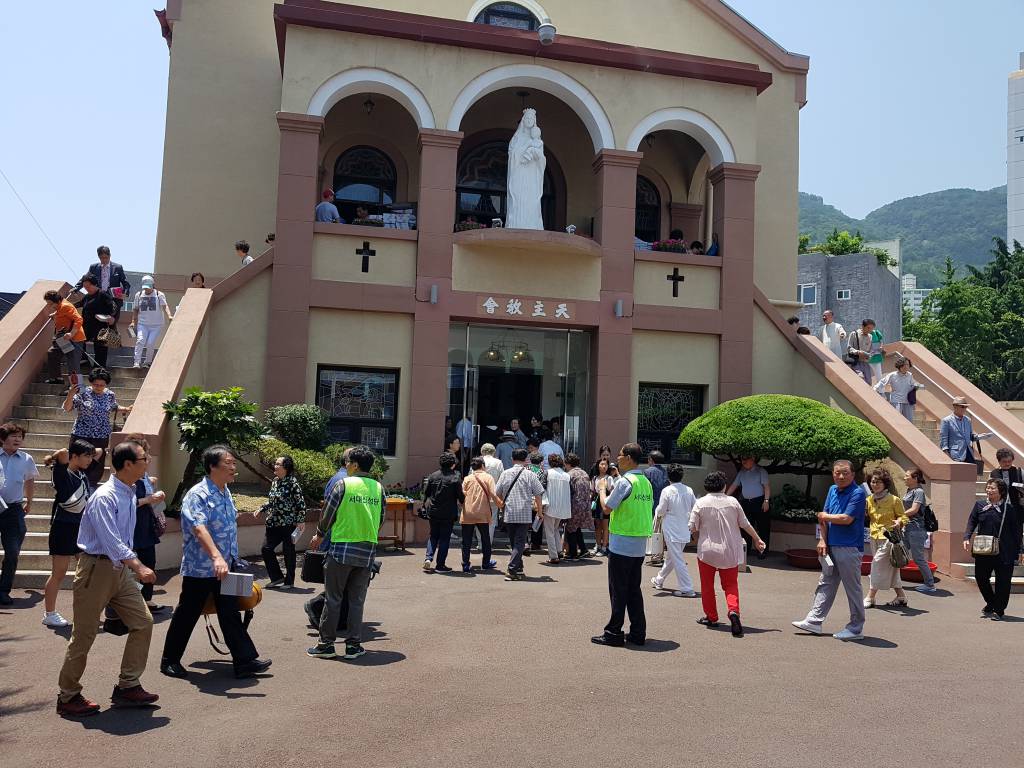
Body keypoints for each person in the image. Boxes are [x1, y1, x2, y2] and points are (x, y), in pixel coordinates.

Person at [55, 439, 157, 717]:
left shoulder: (130, 491)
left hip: (118, 571)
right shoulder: (105, 496)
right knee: (84, 635)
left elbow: (123, 538)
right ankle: (68, 695)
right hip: (96, 569)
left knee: (143, 622)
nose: (147, 462)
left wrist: (130, 566)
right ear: (127, 465)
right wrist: (138, 566)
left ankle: (128, 686)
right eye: (143, 459)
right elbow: (111, 541)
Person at [160, 445, 271, 680]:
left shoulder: (225, 492)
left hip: (226, 566)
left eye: (233, 463)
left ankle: (244, 661)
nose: (233, 467)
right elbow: (198, 528)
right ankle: (169, 660)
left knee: (230, 611)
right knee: (187, 613)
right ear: (212, 466)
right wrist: (216, 557)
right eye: (228, 463)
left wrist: (229, 558)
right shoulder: (197, 494)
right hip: (201, 568)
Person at [307, 445, 384, 660]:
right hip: (367, 551)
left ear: (355, 465)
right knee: (357, 600)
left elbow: (328, 513)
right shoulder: (378, 488)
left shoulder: (343, 485)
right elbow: (381, 518)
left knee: (334, 599)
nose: (346, 465)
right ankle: (353, 646)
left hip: (341, 549)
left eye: (348, 462)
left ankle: (326, 645)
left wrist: (320, 535)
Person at [792, 460, 867, 641]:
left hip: (849, 548)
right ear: (833, 474)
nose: (841, 476)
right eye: (837, 473)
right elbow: (822, 518)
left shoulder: (858, 493)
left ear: (852, 474)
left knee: (852, 589)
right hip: (831, 545)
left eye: (845, 473)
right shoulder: (832, 489)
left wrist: (824, 516)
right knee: (826, 582)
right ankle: (814, 620)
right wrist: (823, 540)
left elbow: (846, 518)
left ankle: (855, 628)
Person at [592, 443, 653, 647]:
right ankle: (637, 632)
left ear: (627, 457)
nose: (616, 458)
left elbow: (607, 508)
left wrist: (601, 489)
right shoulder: (645, 481)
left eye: (619, 455)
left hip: (622, 543)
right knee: (633, 590)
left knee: (618, 590)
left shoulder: (625, 482)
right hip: (639, 544)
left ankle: (613, 632)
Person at [690, 471, 765, 636]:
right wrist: (757, 539)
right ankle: (733, 612)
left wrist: (697, 538)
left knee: (707, 585)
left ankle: (711, 617)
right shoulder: (733, 502)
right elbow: (745, 524)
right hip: (730, 551)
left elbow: (692, 527)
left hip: (707, 551)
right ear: (724, 486)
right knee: (730, 585)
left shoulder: (700, 502)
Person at [42, 441, 100, 627]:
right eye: (86, 456)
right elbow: (62, 455)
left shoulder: (82, 473)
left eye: (90, 456)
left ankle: (86, 611)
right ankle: (49, 613)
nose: (91, 459)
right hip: (62, 527)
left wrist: (89, 451)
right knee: (59, 573)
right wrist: (58, 455)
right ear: (74, 457)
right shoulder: (61, 472)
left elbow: (99, 451)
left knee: (88, 570)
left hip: (81, 528)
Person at [964, 478, 1022, 620]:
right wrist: (966, 537)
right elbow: (972, 521)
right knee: (981, 577)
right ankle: (991, 602)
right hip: (984, 549)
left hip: (1005, 551)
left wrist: (1020, 550)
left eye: (992, 488)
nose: (989, 490)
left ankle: (999, 610)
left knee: (1003, 582)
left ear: (1001, 491)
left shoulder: (1009, 509)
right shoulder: (980, 505)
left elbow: (1016, 531)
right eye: (988, 488)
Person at [63, 369, 130, 487]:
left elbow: (114, 407)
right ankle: (74, 484)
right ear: (90, 383)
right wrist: (70, 395)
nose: (98, 387)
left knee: (97, 464)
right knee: (78, 460)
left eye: (102, 385)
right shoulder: (83, 393)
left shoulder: (110, 395)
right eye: (95, 384)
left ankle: (91, 486)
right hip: (81, 434)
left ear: (106, 384)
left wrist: (125, 409)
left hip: (101, 435)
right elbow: (68, 408)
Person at [0, 423, 39, 605]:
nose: (17, 439)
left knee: (13, 551)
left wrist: (29, 501)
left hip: (14, 510)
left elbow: (29, 481)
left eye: (20, 436)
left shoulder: (26, 458)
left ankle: (3, 590)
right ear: (2, 438)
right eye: (13, 435)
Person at [495, 448, 545, 581]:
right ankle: (511, 570)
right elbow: (539, 494)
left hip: (509, 512)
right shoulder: (530, 475)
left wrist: (501, 504)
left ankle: (519, 567)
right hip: (524, 512)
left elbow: (497, 492)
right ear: (526, 460)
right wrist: (540, 512)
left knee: (514, 542)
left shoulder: (505, 473)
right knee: (520, 543)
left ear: (512, 459)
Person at [257, 455, 306, 588]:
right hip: (273, 522)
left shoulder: (293, 483)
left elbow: (300, 503)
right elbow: (273, 501)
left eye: (278, 464)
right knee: (266, 549)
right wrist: (262, 508)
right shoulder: (275, 481)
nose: (275, 466)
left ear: (286, 468)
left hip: (287, 523)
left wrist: (301, 520)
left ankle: (289, 581)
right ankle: (277, 577)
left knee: (288, 552)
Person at [863, 468, 910, 609]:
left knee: (876, 564)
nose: (875, 484)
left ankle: (870, 597)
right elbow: (866, 516)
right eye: (873, 482)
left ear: (885, 483)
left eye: (878, 482)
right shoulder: (868, 500)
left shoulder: (894, 500)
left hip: (890, 538)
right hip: (874, 537)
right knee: (892, 568)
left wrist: (899, 522)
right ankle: (901, 596)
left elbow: (904, 517)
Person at [651, 464, 697, 597]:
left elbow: (661, 510)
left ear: (668, 476)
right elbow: (695, 507)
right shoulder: (689, 490)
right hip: (685, 528)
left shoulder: (667, 491)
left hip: (671, 529)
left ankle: (687, 588)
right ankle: (659, 580)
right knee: (672, 557)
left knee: (677, 558)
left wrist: (657, 512)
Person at [421, 452, 464, 573]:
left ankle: (428, 558)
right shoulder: (455, 478)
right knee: (444, 538)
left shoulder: (433, 476)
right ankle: (440, 565)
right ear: (453, 464)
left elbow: (426, 493)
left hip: (433, 511)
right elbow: (461, 497)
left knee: (433, 535)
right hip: (448, 512)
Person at [726, 456, 772, 559]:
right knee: (746, 526)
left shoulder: (761, 471)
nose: (743, 461)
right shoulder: (742, 472)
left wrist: (766, 501)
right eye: (742, 459)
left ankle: (762, 550)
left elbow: (767, 486)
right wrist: (724, 497)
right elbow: (734, 485)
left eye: (746, 459)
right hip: (746, 502)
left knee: (762, 527)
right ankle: (746, 550)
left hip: (760, 501)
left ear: (753, 459)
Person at [460, 457, 499, 573]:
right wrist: (500, 504)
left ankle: (465, 564)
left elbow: (462, 494)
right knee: (485, 538)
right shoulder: (488, 477)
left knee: (466, 540)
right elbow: (493, 493)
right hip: (483, 512)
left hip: (468, 512)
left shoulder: (467, 478)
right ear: (483, 465)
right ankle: (486, 563)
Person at [902, 468, 937, 593]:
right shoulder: (909, 490)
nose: (904, 478)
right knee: (898, 552)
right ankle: (891, 579)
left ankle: (930, 584)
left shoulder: (919, 492)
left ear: (915, 478)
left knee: (918, 558)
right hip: (907, 528)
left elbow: (914, 509)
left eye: (907, 476)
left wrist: (899, 516)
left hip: (916, 529)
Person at [43, 289, 85, 390]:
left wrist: (72, 333)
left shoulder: (66, 306)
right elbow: (61, 313)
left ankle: (77, 388)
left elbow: (79, 319)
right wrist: (55, 315)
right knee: (52, 353)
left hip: (74, 339)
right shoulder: (60, 307)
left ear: (56, 301)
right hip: (63, 338)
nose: (49, 306)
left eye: (50, 303)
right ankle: (56, 378)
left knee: (73, 363)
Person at [129, 275, 173, 369]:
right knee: (140, 340)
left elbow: (165, 306)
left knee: (150, 343)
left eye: (148, 287)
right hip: (142, 323)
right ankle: (136, 362)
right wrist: (133, 321)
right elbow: (136, 309)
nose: (147, 290)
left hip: (156, 325)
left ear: (153, 285)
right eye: (145, 288)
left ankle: (147, 362)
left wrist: (169, 315)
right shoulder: (139, 294)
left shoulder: (159, 294)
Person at [78, 274, 116, 369]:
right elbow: (78, 304)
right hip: (87, 325)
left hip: (101, 326)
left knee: (100, 349)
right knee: (79, 339)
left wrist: (112, 317)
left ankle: (99, 368)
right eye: (85, 287)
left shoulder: (102, 294)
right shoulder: (86, 297)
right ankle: (84, 360)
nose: (86, 289)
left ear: (95, 284)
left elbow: (113, 306)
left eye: (88, 286)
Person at [940, 396, 991, 463]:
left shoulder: (968, 420)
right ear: (955, 406)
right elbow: (944, 441)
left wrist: (980, 436)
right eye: (962, 407)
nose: (964, 409)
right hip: (955, 455)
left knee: (971, 473)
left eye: (966, 407)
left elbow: (970, 436)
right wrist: (948, 457)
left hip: (968, 453)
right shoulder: (947, 421)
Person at [541, 454, 571, 563]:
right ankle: (559, 551)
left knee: (549, 531)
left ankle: (553, 556)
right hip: (562, 506)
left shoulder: (548, 473)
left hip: (550, 505)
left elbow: (541, 487)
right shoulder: (566, 475)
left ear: (550, 463)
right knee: (555, 529)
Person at [564, 453, 594, 560]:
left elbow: (567, 491)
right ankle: (584, 549)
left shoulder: (569, 474)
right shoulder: (584, 473)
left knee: (571, 528)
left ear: (567, 463)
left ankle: (573, 554)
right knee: (577, 528)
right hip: (585, 504)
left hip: (574, 504)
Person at [874, 356, 923, 420]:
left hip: (907, 401)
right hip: (896, 401)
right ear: (900, 365)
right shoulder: (892, 375)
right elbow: (882, 382)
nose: (906, 366)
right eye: (905, 364)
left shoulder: (909, 375)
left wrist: (919, 386)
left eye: (908, 365)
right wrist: (875, 388)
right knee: (897, 419)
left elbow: (913, 384)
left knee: (909, 421)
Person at [479, 443, 504, 544]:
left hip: (479, 495)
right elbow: (502, 479)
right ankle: (488, 543)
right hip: (493, 495)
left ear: (482, 451)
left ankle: (480, 543)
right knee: (492, 520)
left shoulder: (478, 461)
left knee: (479, 519)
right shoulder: (498, 462)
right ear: (493, 452)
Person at [591, 457, 615, 556]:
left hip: (605, 502)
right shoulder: (594, 478)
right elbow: (592, 491)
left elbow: (612, 490)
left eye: (605, 464)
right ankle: (598, 545)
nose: (604, 466)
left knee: (605, 526)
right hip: (596, 503)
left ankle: (604, 547)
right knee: (597, 526)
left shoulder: (609, 478)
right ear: (598, 465)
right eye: (602, 464)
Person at [847, 318, 876, 384]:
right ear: (862, 326)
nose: (870, 330)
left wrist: (870, 355)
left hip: (866, 363)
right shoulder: (854, 334)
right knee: (861, 379)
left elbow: (871, 350)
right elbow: (849, 348)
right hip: (856, 361)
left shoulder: (870, 336)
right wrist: (857, 352)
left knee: (869, 382)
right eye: (868, 328)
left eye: (871, 329)